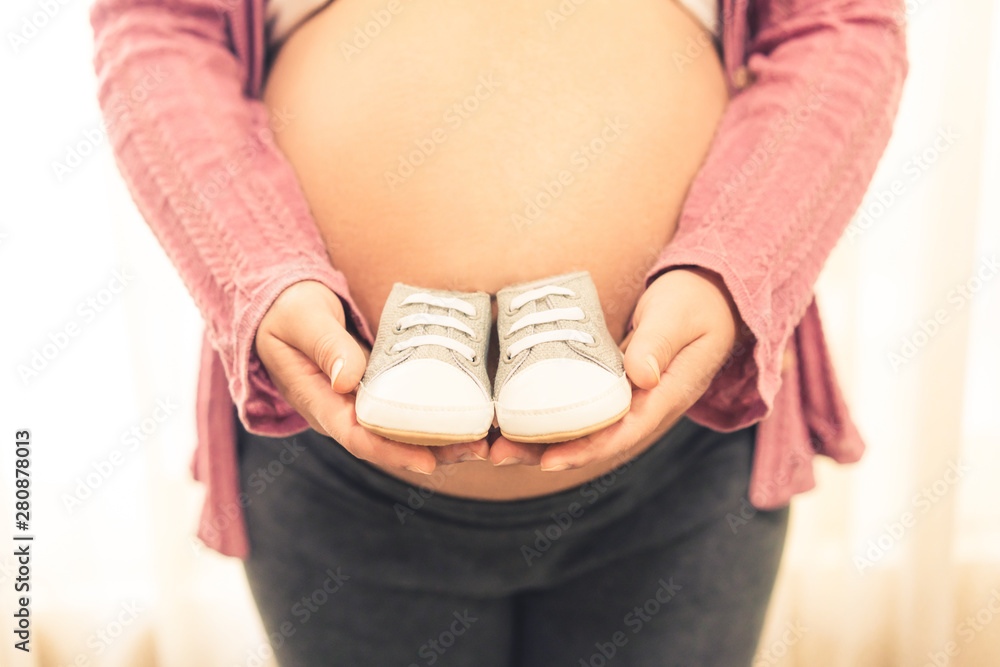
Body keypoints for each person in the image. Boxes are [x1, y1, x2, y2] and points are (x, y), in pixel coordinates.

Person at [91, 0, 908, 663]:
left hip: (687, 464)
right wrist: (256, 271)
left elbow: (840, 23)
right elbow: (159, 23)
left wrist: (734, 273)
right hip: (331, 470)